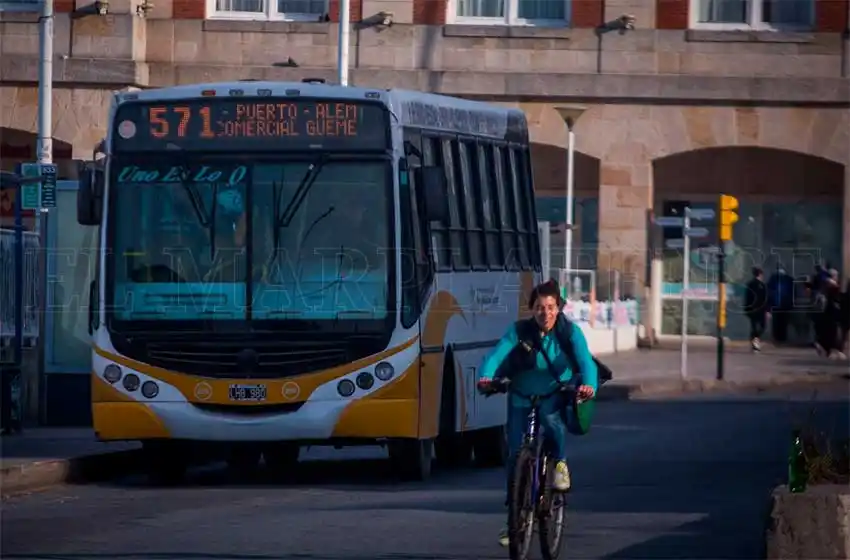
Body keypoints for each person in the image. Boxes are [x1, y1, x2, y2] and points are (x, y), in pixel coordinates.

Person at [476, 279, 597, 548]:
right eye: (540, 307)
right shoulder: (519, 331)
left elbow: (586, 361)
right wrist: (486, 377)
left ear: (559, 308)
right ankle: (514, 518)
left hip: (554, 391)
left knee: (551, 422)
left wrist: (588, 385)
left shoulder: (569, 332)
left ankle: (561, 463)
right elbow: (496, 356)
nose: (546, 313)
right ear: (532, 309)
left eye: (551, 307)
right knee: (515, 454)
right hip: (521, 394)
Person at [744, 267, 769, 352]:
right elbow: (766, 299)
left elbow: (747, 298)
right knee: (761, 326)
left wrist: (746, 308)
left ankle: (755, 339)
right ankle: (755, 340)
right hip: (759, 309)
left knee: (755, 326)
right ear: (760, 274)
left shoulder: (751, 284)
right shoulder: (761, 285)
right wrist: (768, 310)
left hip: (754, 309)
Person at [767, 267, 794, 344]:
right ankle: (782, 337)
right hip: (784, 305)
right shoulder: (789, 279)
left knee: (777, 322)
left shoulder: (773, 279)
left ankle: (777, 337)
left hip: (776, 304)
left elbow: (769, 292)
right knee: (783, 322)